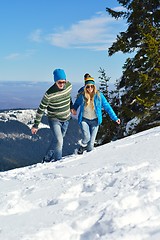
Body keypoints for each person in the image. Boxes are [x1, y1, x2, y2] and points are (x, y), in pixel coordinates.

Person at [31, 68, 73, 162]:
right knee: (59, 141)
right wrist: (36, 125)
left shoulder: (69, 86)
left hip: (66, 119)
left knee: (56, 140)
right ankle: (58, 161)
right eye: (59, 82)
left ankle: (46, 159)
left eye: (63, 81)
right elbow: (41, 109)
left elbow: (68, 97)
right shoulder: (49, 94)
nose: (62, 84)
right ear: (55, 82)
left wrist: (72, 106)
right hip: (54, 119)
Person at [71, 75, 120, 154]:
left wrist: (115, 118)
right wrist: (74, 109)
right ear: (85, 87)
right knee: (86, 138)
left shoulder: (99, 96)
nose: (90, 88)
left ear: (94, 87)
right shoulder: (82, 96)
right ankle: (82, 146)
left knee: (91, 146)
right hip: (84, 120)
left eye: (91, 86)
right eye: (88, 87)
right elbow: (76, 104)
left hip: (95, 122)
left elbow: (107, 107)